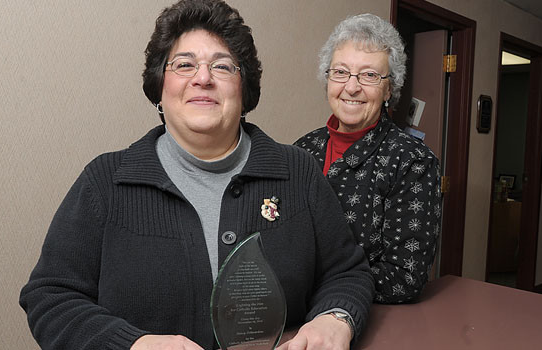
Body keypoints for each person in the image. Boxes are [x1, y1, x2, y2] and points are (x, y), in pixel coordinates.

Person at [19, 1, 374, 349]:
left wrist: (337, 317)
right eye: (184, 65)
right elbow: (51, 297)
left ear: (244, 89)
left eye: (222, 67)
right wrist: (133, 344)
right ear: (160, 87)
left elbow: (347, 272)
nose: (203, 78)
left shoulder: (299, 172)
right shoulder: (105, 182)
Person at [294, 14, 441, 304]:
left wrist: (304, 281)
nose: (351, 87)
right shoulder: (301, 150)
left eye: (369, 75)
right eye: (340, 72)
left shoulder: (412, 162)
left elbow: (404, 279)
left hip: (366, 318)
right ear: (327, 80)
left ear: (389, 89)